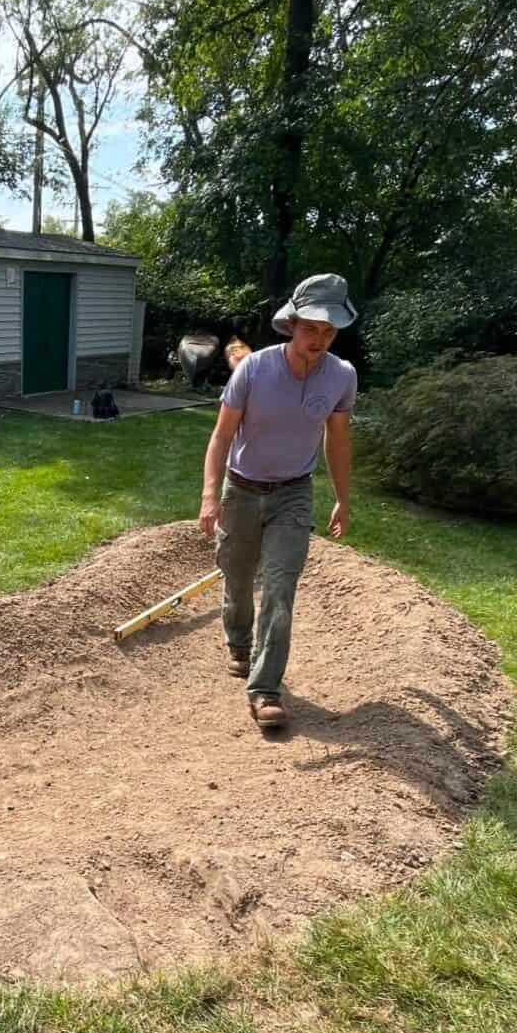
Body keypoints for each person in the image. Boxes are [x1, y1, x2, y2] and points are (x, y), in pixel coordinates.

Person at [198, 274, 358, 729]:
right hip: (242, 489)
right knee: (238, 575)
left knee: (281, 588)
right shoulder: (254, 369)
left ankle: (265, 688)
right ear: (292, 323)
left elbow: (338, 440)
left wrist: (343, 499)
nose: (320, 339)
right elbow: (222, 435)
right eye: (312, 328)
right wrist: (210, 496)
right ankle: (238, 641)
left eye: (329, 331)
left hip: (293, 493)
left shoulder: (341, 376)